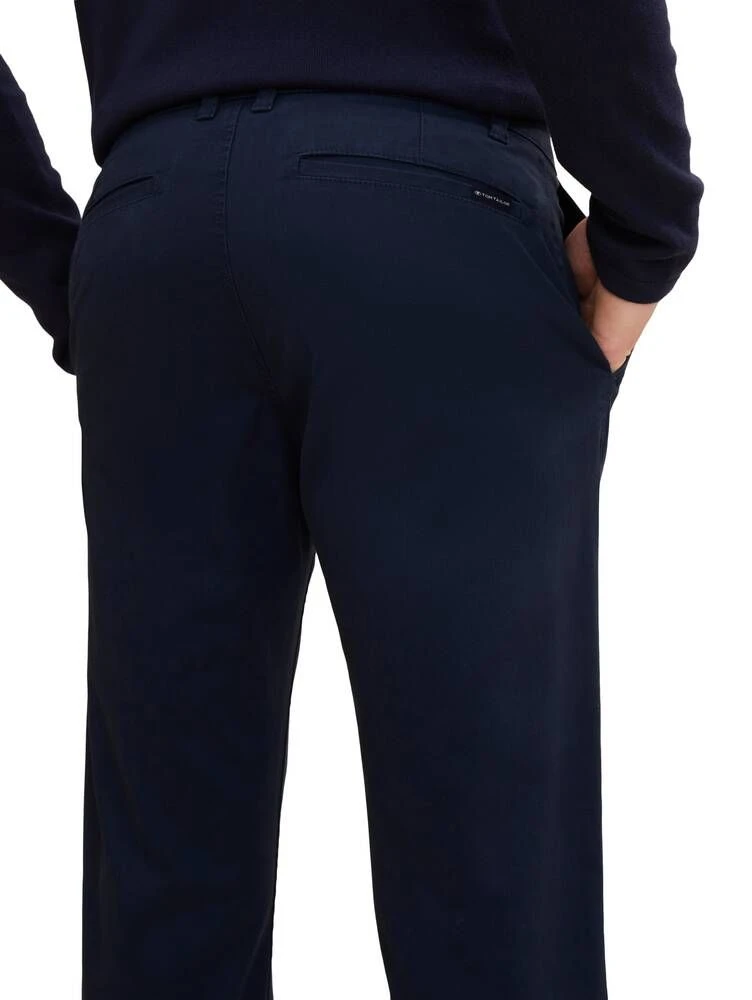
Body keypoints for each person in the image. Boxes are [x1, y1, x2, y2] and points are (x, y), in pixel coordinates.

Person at [0, 3, 703, 998]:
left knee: (165, 868)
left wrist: (55, 260)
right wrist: (644, 229)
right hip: (434, 218)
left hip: (157, 228)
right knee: (488, 870)